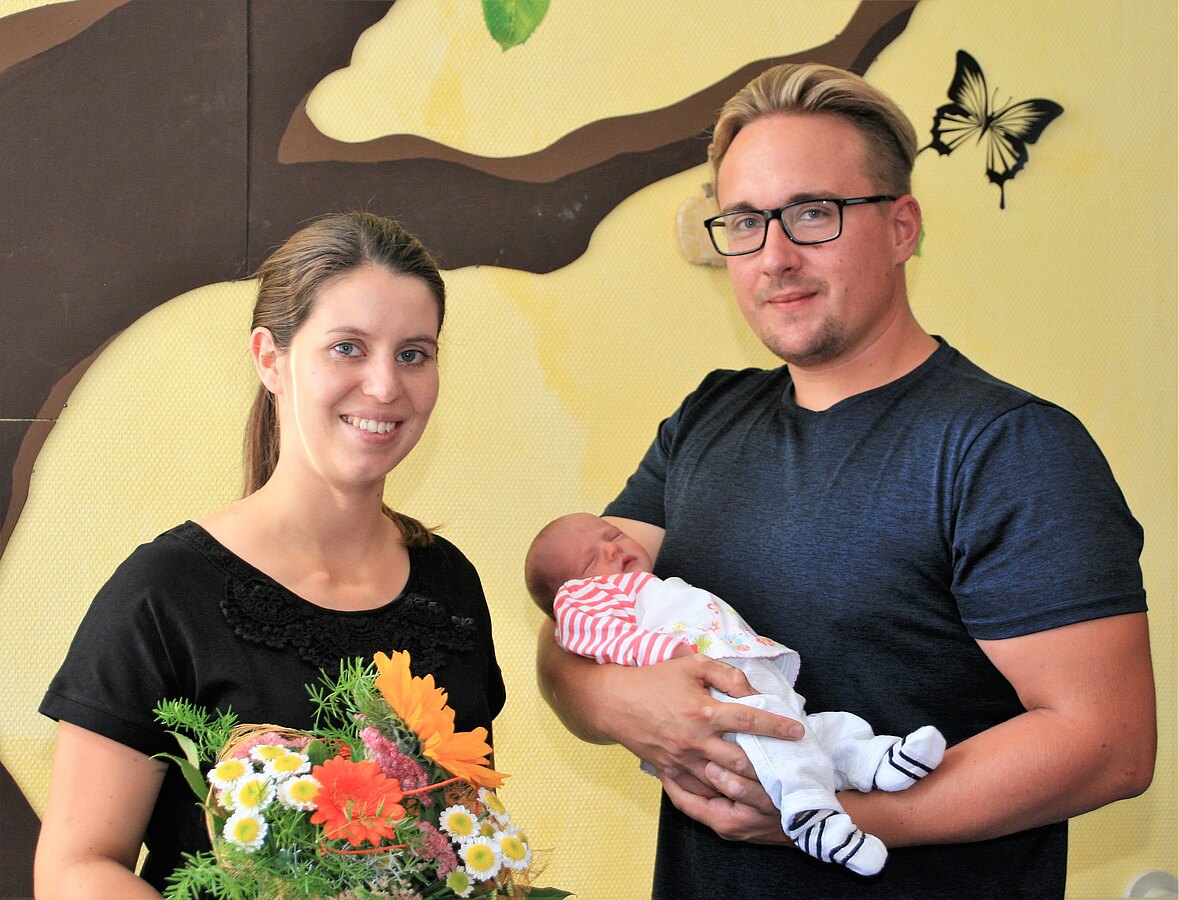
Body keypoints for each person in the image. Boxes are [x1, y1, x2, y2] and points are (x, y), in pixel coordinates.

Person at [536, 63, 1156, 899]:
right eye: (744, 222)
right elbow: (577, 612)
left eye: (812, 213)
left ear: (901, 227)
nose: (774, 257)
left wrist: (825, 816)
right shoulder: (706, 419)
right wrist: (619, 704)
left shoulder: (1008, 447)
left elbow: (1109, 746)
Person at [35, 212, 505, 897]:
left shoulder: (449, 584)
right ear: (269, 358)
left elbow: (465, 836)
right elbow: (74, 870)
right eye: (347, 348)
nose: (384, 385)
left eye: (413, 354)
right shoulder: (164, 593)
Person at [526, 512, 946, 877]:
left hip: (748, 687)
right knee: (781, 748)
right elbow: (591, 634)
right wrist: (666, 653)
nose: (613, 549)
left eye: (613, 535)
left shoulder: (650, 587)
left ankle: (875, 760)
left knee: (814, 731)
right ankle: (813, 817)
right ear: (569, 592)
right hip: (711, 700)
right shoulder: (593, 600)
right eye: (591, 560)